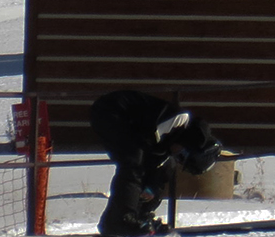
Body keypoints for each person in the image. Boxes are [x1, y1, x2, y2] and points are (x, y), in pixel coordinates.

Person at [89, 89, 222, 237]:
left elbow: (157, 161)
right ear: (188, 143)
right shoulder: (177, 120)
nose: (177, 156)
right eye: (181, 155)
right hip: (111, 110)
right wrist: (147, 178)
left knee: (161, 168)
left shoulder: (173, 138)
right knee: (134, 164)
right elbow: (146, 147)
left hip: (131, 126)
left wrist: (151, 188)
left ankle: (128, 219)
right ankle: (123, 219)